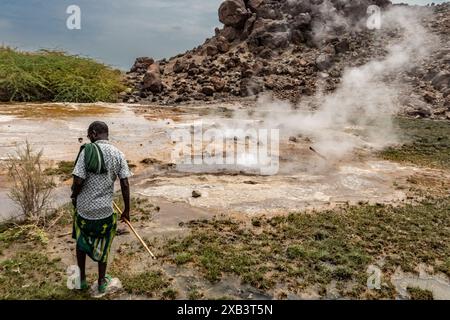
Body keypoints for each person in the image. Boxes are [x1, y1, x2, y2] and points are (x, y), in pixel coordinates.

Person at [71, 121, 131, 293]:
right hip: (105, 211)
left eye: (89, 134)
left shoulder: (87, 151)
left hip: (84, 210)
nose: (89, 137)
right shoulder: (118, 154)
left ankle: (81, 280)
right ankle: (102, 282)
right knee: (104, 245)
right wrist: (127, 210)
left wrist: (74, 195)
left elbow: (78, 180)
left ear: (94, 133)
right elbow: (125, 184)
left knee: (81, 242)